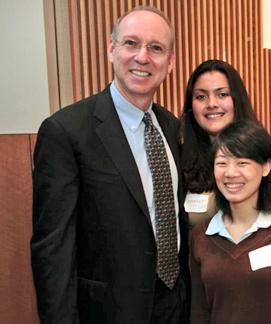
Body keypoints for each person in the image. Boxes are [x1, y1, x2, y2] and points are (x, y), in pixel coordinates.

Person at [31, 6, 190, 323]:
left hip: (175, 307)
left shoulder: (173, 129)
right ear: (111, 49)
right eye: (131, 43)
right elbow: (53, 249)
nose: (142, 57)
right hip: (107, 312)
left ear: (170, 62)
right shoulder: (66, 132)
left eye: (156, 48)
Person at [191, 120, 271, 323]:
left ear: (265, 167)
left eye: (242, 163)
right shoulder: (202, 236)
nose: (231, 173)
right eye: (222, 163)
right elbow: (200, 315)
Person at [180, 59, 271, 225]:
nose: (211, 104)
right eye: (201, 96)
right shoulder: (181, 160)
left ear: (237, 100)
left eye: (222, 94)